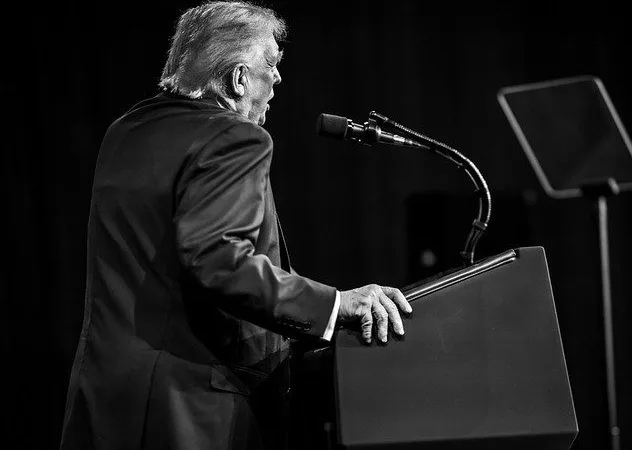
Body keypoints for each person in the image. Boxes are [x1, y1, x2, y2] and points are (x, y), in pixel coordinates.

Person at [59, 2, 412, 450]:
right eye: (271, 63)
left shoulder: (125, 131)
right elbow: (219, 260)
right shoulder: (235, 136)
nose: (278, 78)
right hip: (188, 410)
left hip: (105, 401)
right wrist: (335, 304)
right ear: (239, 78)